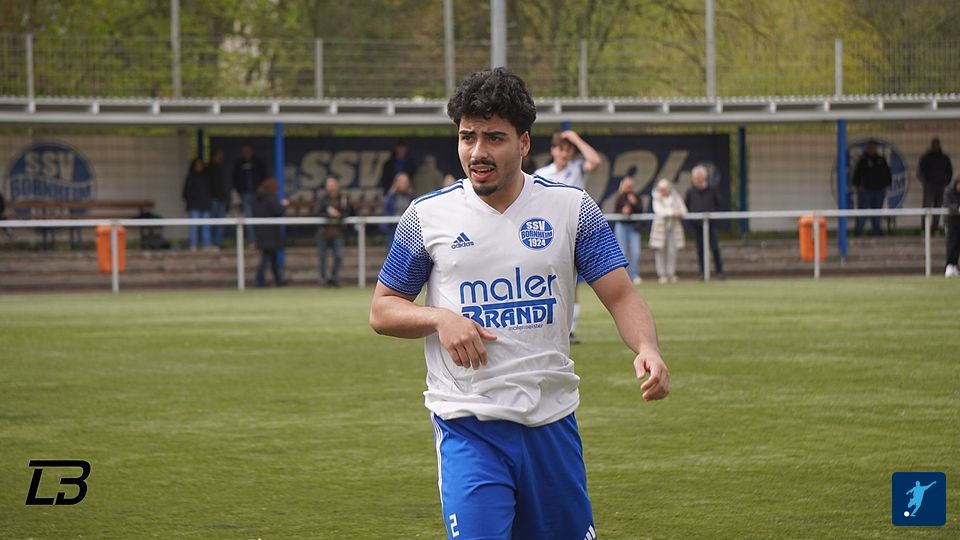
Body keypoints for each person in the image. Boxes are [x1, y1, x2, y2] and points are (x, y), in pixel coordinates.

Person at [369, 67, 669, 540]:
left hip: (552, 420)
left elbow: (621, 294)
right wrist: (439, 318)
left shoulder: (572, 208)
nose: (477, 152)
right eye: (467, 137)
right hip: (468, 423)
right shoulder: (427, 216)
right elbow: (382, 309)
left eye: (494, 138)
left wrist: (647, 347)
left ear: (524, 143)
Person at [533, 129, 602, 344]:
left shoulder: (577, 168)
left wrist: (576, 139)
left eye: (568, 150)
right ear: (553, 150)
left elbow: (595, 161)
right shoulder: (542, 174)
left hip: (573, 231)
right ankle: (544, 327)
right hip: (549, 233)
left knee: (572, 285)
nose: (565, 154)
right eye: (561, 149)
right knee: (546, 281)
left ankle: (570, 330)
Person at [684, 165, 725, 279]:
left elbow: (719, 204)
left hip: (711, 225)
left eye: (698, 177)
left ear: (704, 177)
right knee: (700, 249)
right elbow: (687, 206)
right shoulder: (690, 191)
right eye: (695, 178)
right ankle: (702, 272)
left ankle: (720, 271)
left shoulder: (712, 190)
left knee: (715, 247)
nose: (696, 180)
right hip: (697, 226)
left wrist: (713, 217)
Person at [316, 176, 354, 288]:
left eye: (333, 185)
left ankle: (333, 277)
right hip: (324, 232)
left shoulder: (343, 198)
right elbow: (317, 213)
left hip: (338, 232)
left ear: (337, 186)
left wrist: (340, 215)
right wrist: (329, 215)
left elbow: (350, 212)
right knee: (322, 257)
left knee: (338, 255)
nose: (331, 187)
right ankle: (323, 279)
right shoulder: (323, 199)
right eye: (329, 185)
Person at [851, 139, 892, 237]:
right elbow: (856, 175)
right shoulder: (863, 160)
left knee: (877, 212)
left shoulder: (881, 160)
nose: (871, 149)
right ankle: (859, 232)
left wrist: (886, 185)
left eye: (873, 147)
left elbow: (887, 174)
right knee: (863, 211)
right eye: (870, 147)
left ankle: (877, 232)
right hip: (866, 191)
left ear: (876, 148)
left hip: (879, 190)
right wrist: (858, 186)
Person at [650, 178, 687, 284]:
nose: (662, 191)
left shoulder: (675, 196)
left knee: (672, 251)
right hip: (660, 229)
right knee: (660, 251)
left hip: (673, 228)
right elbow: (659, 211)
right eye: (660, 189)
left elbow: (683, 210)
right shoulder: (656, 197)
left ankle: (671, 273)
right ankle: (662, 274)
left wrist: (678, 213)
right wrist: (673, 213)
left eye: (664, 189)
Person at [252, 178, 287, 287]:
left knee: (272, 258)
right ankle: (260, 279)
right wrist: (283, 205)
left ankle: (278, 279)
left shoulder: (257, 199)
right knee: (267, 257)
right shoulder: (270, 198)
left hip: (261, 233)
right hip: (270, 234)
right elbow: (278, 211)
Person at [233, 143, 269, 244]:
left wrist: (261, 188)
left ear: (251, 151)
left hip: (258, 195)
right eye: (243, 152)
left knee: (260, 217)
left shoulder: (258, 162)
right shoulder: (239, 164)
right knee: (248, 218)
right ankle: (252, 241)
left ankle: (262, 240)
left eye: (247, 151)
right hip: (245, 195)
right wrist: (240, 191)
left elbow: (264, 177)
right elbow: (235, 179)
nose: (246, 153)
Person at [918, 137, 953, 234]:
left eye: (937, 144)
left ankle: (935, 229)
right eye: (934, 144)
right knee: (926, 208)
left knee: (938, 208)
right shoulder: (926, 157)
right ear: (931, 145)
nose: (936, 146)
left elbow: (949, 172)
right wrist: (925, 182)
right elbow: (920, 172)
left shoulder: (944, 158)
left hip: (941, 187)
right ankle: (924, 229)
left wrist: (946, 183)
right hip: (929, 187)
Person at [613, 176, 643, 284]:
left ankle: (634, 274)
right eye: (627, 185)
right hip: (622, 226)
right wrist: (623, 211)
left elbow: (640, 210)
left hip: (633, 227)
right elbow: (616, 211)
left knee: (635, 251)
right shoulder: (620, 197)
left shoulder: (636, 196)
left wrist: (634, 203)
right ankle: (624, 277)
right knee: (623, 252)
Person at [181, 157, 213, 251]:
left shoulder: (206, 177)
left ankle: (206, 245)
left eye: (200, 165)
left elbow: (210, 191)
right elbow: (185, 193)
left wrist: (208, 201)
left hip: (205, 206)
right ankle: (193, 245)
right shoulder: (190, 177)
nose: (199, 167)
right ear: (194, 166)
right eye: (197, 165)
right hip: (194, 206)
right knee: (194, 226)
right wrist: (191, 201)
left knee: (206, 226)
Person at [381, 172, 415, 246]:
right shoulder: (391, 197)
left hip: (408, 229)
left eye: (405, 182)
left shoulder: (411, 197)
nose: (403, 184)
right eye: (401, 182)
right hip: (394, 228)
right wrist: (391, 193)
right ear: (396, 183)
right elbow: (386, 208)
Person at [207, 148, 229, 249]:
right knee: (212, 222)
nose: (221, 157)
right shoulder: (209, 168)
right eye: (220, 155)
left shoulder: (221, 168)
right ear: (215, 156)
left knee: (220, 222)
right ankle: (211, 242)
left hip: (221, 199)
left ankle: (218, 243)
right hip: (213, 199)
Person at [943, 172, 960, 278]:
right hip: (951, 222)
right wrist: (957, 208)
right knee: (952, 244)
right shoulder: (949, 191)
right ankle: (949, 266)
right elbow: (947, 204)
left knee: (957, 245)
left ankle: (955, 266)